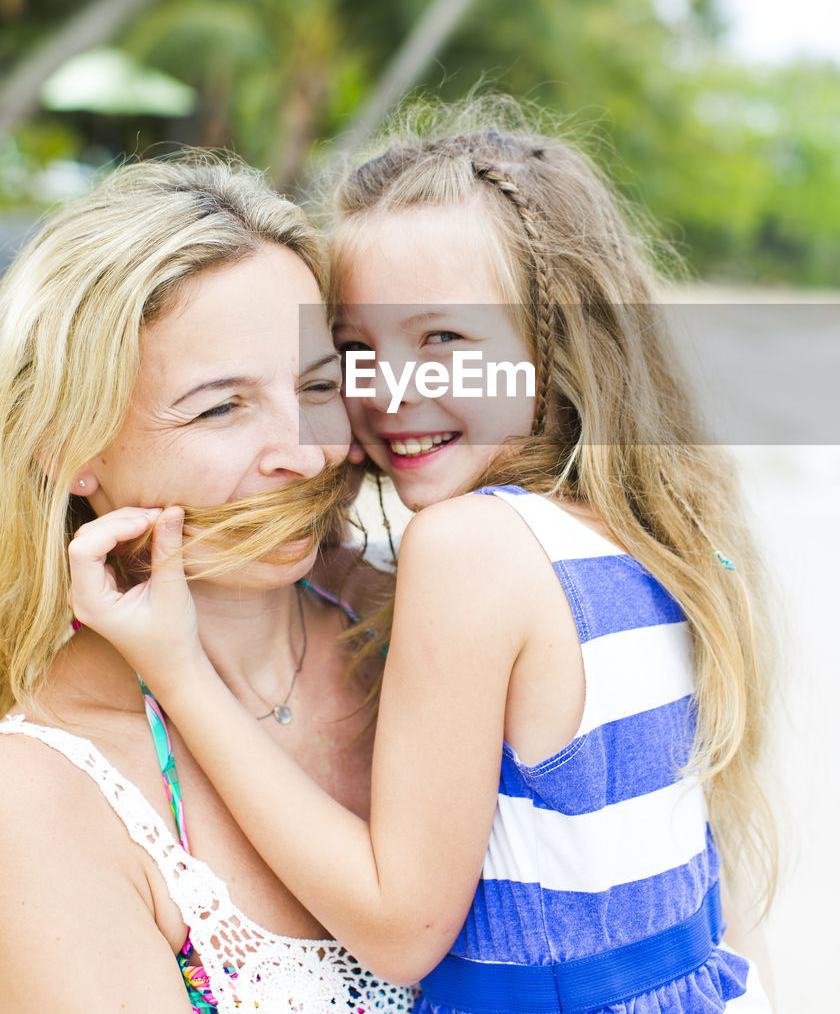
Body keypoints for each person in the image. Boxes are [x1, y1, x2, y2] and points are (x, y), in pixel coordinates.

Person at [71, 105, 779, 1013]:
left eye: (442, 338)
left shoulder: (468, 548)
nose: (393, 390)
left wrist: (177, 669)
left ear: (553, 342)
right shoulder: (644, 536)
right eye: (355, 353)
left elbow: (400, 929)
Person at [0, 156, 415, 1014]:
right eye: (220, 407)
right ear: (67, 447)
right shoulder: (38, 798)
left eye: (316, 386)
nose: (303, 452)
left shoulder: (428, 623)